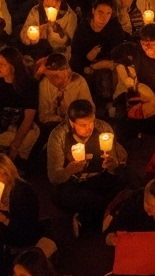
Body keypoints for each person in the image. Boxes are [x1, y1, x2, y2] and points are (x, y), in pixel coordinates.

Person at [46, 98, 126, 236]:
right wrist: (68, 171)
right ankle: (104, 215)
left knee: (124, 183)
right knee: (61, 194)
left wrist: (113, 165)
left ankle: (84, 218)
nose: (89, 128)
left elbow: (114, 166)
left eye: (91, 122)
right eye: (83, 125)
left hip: (99, 179)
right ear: (72, 123)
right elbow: (54, 177)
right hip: (73, 184)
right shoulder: (59, 136)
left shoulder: (103, 129)